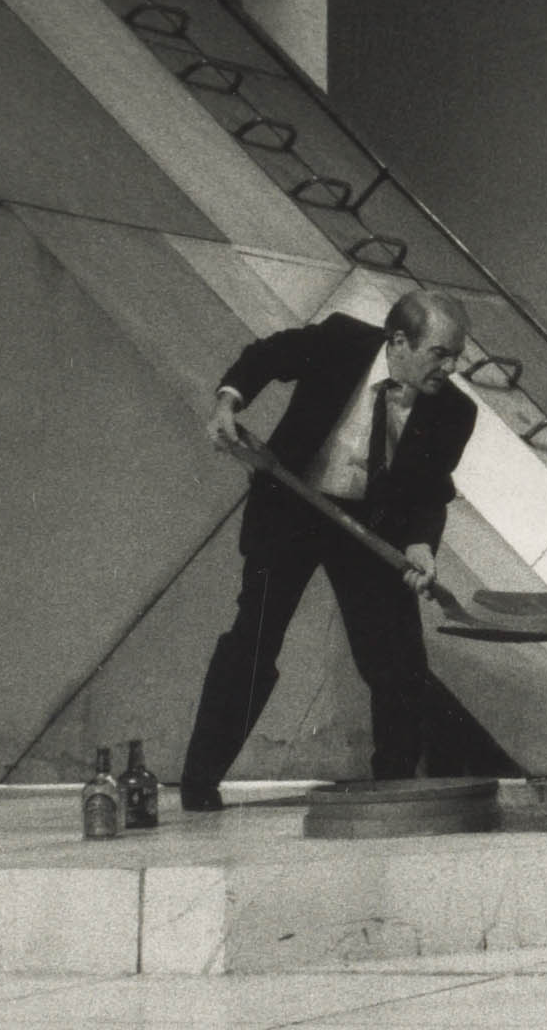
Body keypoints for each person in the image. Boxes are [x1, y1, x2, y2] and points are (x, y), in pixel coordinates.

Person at [179, 292, 477, 810]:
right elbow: (268, 355)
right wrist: (228, 402)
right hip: (292, 507)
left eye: (457, 356)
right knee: (253, 641)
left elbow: (431, 492)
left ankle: (394, 789)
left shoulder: (454, 411)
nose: (450, 368)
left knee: (398, 661)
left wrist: (421, 547)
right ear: (399, 342)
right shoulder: (342, 342)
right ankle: (199, 782)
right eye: (439, 354)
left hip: (368, 527)